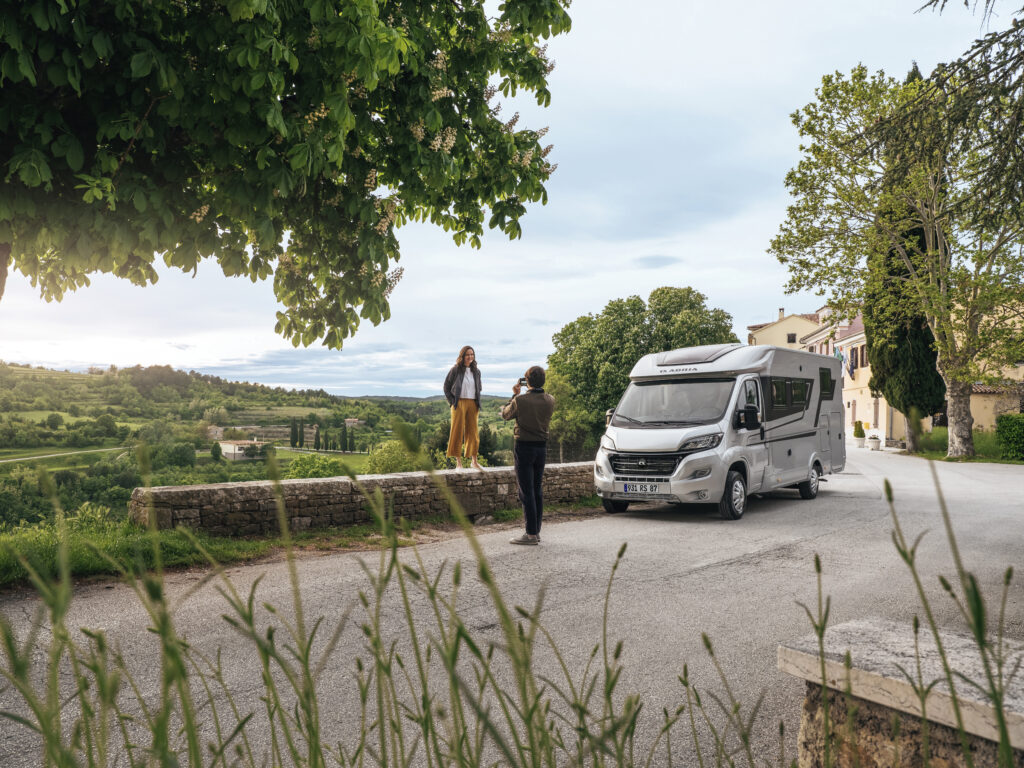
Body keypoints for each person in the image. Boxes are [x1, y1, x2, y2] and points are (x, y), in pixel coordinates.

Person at [501, 365, 555, 545]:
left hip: (524, 447)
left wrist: (514, 394)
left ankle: (530, 534)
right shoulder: (550, 400)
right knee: (536, 489)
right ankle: (536, 531)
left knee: (526, 491)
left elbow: (505, 415)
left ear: (527, 382)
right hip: (541, 447)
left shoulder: (520, 400)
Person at [443, 345, 484, 470]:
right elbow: (446, 387)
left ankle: (474, 462)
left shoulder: (476, 371)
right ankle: (458, 463)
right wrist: (452, 402)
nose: (470, 357)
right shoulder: (455, 370)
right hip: (459, 403)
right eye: (467, 354)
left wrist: (477, 401)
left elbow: (479, 387)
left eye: (472, 354)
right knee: (457, 431)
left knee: (473, 432)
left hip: (473, 403)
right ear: (462, 356)